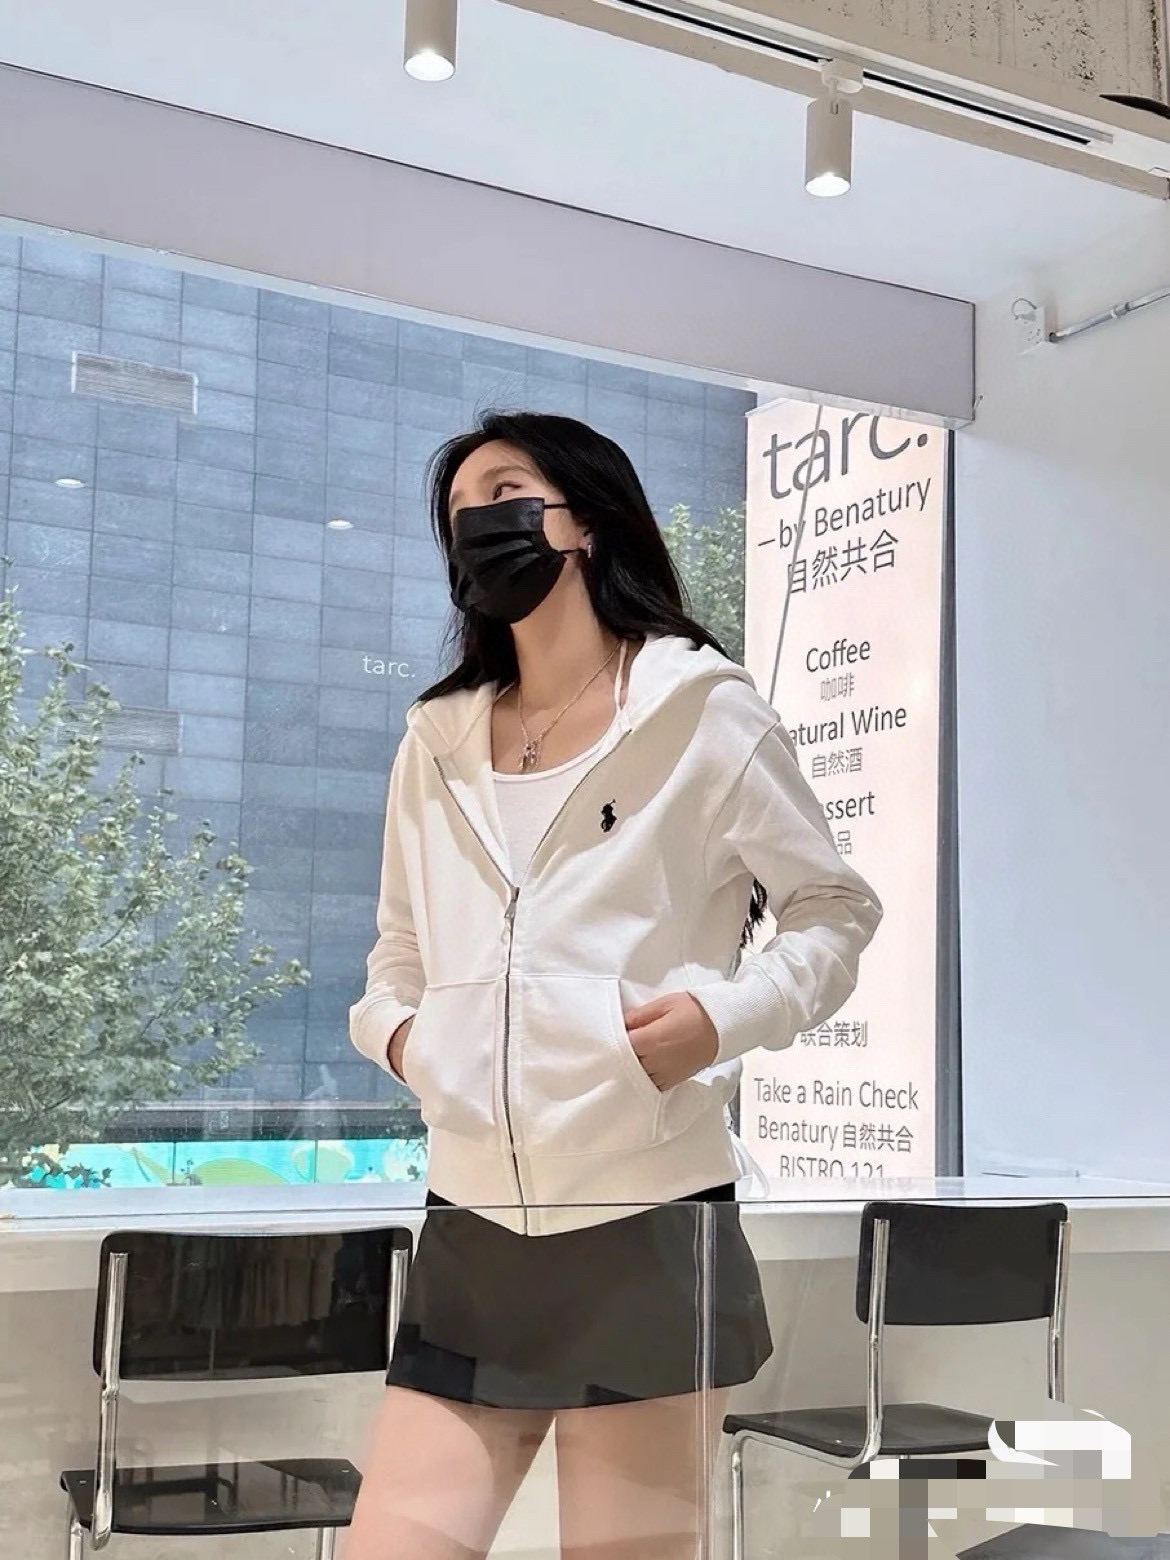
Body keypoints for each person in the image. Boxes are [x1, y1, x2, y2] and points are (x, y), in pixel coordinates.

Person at [346, 410, 882, 1559]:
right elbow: (397, 954)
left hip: (648, 1223)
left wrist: (721, 1020)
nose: (476, 524)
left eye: (503, 493)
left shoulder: (702, 712)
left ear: (584, 520)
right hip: (472, 1224)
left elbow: (835, 912)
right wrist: (406, 1041)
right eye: (457, 513)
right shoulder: (434, 743)